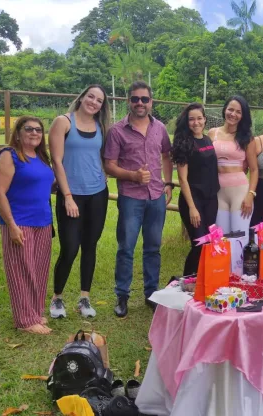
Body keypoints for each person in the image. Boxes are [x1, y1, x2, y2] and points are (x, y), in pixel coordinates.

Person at [104, 81, 173, 317]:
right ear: (128, 101)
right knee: (126, 248)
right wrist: (132, 176)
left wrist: (168, 182)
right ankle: (122, 296)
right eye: (135, 99)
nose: (140, 103)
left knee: (153, 248)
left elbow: (166, 155)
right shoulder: (117, 131)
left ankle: (151, 294)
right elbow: (109, 165)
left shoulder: (160, 128)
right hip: (130, 198)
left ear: (151, 102)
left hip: (156, 196)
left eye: (144, 99)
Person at [48, 84, 111, 319]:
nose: (93, 102)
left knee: (90, 246)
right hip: (71, 195)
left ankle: (84, 297)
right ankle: (57, 298)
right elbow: (57, 160)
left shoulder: (101, 126)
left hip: (97, 194)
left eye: (99, 100)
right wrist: (67, 197)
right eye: (90, 97)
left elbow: (101, 156)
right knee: (70, 247)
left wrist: (103, 175)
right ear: (82, 96)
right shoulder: (63, 122)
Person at [0, 116, 55, 335]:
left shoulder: (40, 157)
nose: (34, 133)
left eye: (38, 129)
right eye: (28, 129)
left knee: (38, 270)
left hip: (43, 222)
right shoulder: (9, 155)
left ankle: (35, 312)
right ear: (18, 132)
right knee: (21, 271)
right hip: (20, 221)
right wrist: (11, 225)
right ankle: (25, 320)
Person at [172, 103, 219, 276]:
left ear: (205, 119)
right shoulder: (184, 143)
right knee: (199, 243)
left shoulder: (207, 140)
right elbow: (183, 179)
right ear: (187, 122)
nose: (196, 122)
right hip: (193, 200)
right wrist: (192, 207)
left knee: (209, 243)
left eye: (199, 118)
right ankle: (186, 281)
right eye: (191, 119)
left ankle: (201, 281)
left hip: (211, 199)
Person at [208, 96, 258, 240]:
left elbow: (254, 169)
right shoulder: (213, 133)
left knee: (238, 237)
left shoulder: (247, 138)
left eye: (238, 112)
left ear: (243, 116)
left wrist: (250, 195)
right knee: (221, 238)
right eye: (230, 109)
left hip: (240, 192)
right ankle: (223, 264)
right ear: (225, 110)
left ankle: (238, 264)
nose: (233, 114)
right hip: (218, 192)